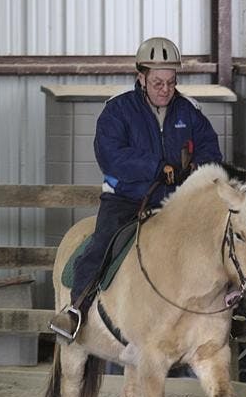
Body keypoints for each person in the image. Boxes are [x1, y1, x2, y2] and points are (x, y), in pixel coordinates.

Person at [49, 36, 223, 340]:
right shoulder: (117, 111)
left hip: (177, 203)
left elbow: (210, 150)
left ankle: (227, 314)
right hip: (127, 200)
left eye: (170, 82)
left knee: (220, 243)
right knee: (103, 244)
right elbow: (110, 154)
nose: (165, 89)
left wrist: (198, 168)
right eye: (157, 82)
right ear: (140, 77)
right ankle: (76, 309)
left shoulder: (190, 112)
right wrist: (157, 166)